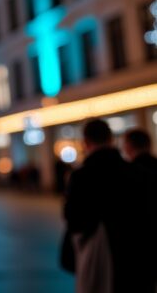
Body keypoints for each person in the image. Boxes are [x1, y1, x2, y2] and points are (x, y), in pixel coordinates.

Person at [62, 118, 156, 292]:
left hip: (103, 265)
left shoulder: (82, 176)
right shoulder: (138, 173)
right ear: (111, 139)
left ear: (85, 142)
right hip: (140, 261)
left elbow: (74, 219)